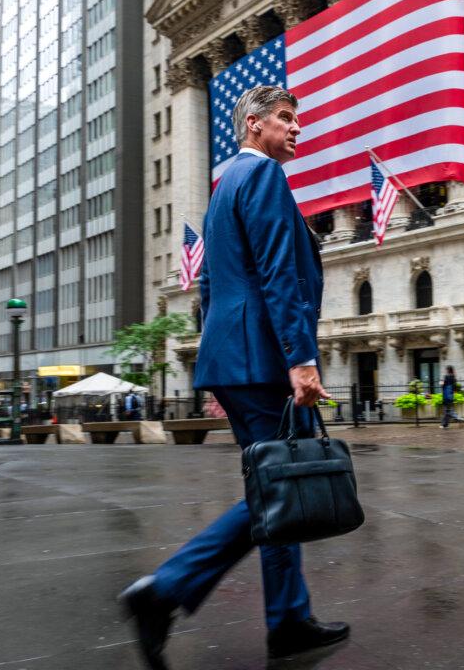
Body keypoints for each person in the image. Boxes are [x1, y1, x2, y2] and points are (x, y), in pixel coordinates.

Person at [119, 86, 348, 669]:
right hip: (266, 358)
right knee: (278, 488)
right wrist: (300, 359)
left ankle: (289, 619)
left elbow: (213, 289)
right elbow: (277, 275)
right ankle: (164, 589)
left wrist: (223, 363)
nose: (297, 129)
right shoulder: (264, 177)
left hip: (236, 355)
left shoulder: (224, 190)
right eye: (286, 119)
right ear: (254, 125)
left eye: (298, 120)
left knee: (279, 485)